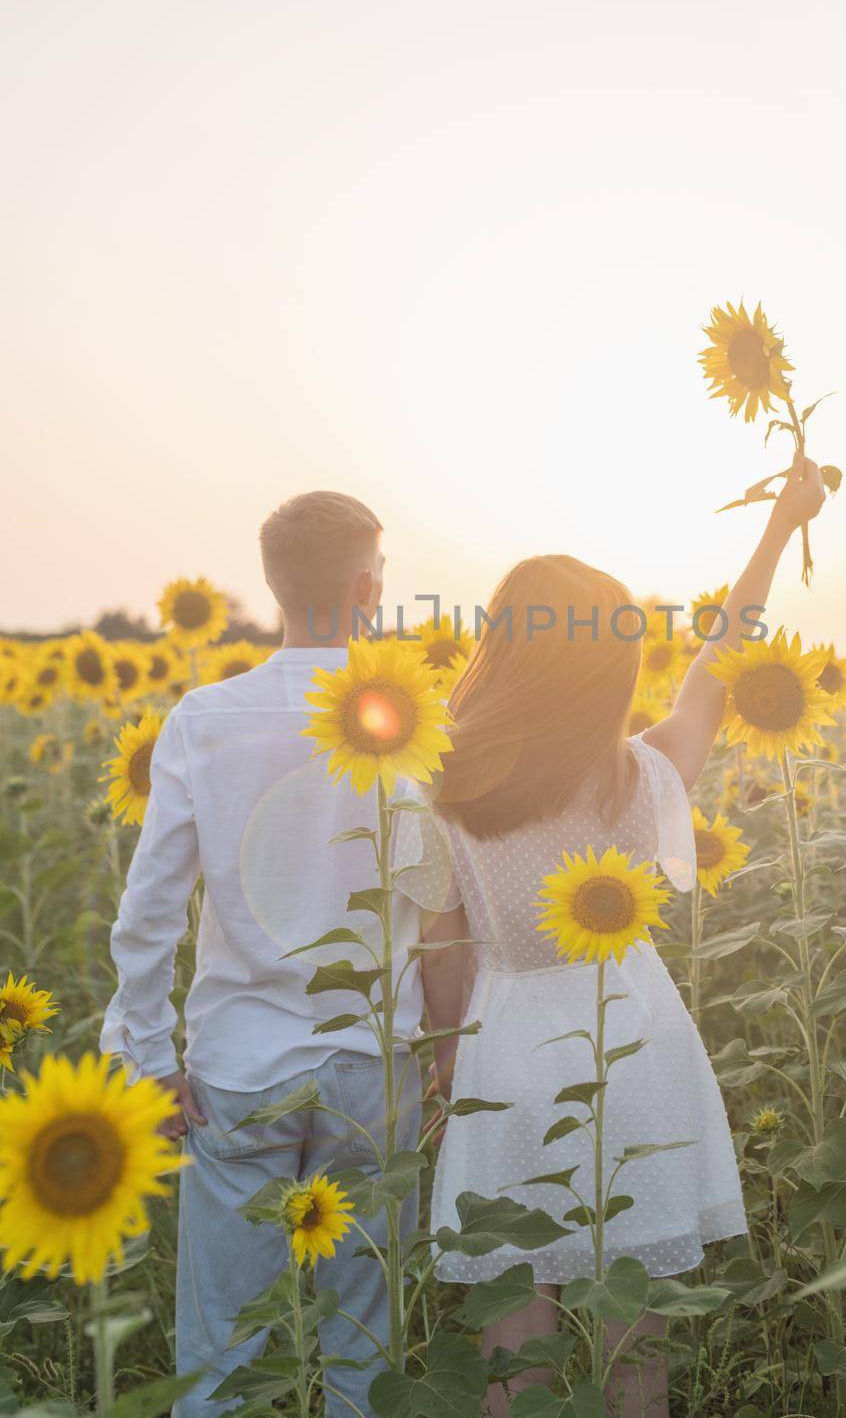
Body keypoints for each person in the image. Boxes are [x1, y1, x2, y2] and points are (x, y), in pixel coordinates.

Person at [419, 457, 826, 1418]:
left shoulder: (446, 780)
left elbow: (440, 951)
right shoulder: (643, 775)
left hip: (505, 1055)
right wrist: (774, 533)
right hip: (635, 1046)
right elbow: (718, 663)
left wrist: (441, 1067)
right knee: (634, 1337)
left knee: (511, 1338)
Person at [100, 490, 427, 1418]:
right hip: (375, 1063)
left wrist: (150, 1057)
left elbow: (150, 908)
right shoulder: (406, 722)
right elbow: (435, 898)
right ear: (368, 588)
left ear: (273, 585)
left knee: (224, 1354)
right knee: (368, 1345)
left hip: (239, 1068)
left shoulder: (204, 719)